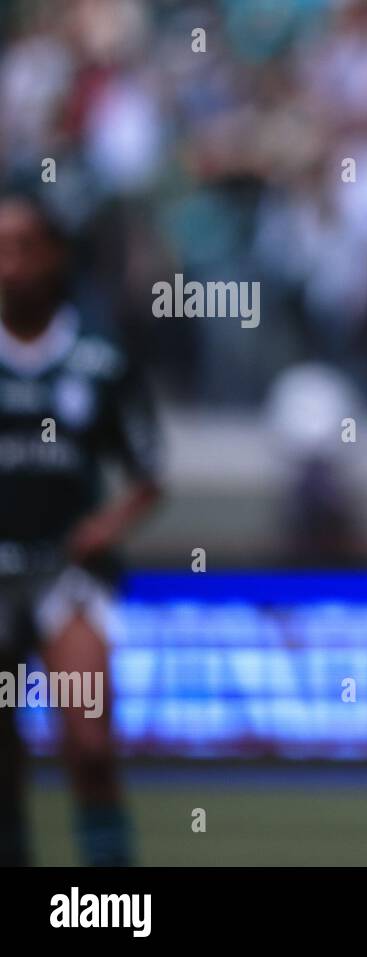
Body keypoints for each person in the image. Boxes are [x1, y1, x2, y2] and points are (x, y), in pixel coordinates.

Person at [0, 192, 163, 866]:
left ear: (56, 254)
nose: (10, 265)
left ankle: (106, 903)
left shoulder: (99, 358)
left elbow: (148, 473)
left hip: (65, 573)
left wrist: (106, 523)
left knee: (90, 746)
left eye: (23, 247)